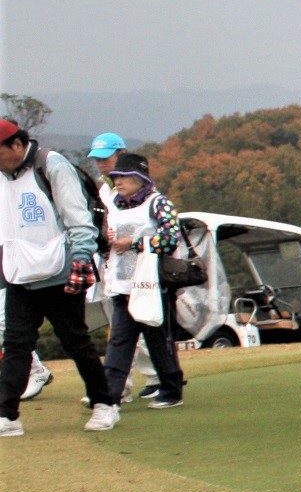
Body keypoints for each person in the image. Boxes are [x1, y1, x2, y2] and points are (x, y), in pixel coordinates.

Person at [0, 119, 118, 436]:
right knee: (16, 345)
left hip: (60, 269)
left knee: (75, 341)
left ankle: (104, 404)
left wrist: (81, 258)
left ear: (15, 145)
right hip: (20, 273)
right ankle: (7, 415)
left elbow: (77, 215)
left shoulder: (50, 165)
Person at [97, 153, 185, 409]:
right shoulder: (111, 204)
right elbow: (99, 232)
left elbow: (171, 238)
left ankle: (171, 390)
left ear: (139, 179)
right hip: (123, 285)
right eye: (115, 178)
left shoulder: (159, 203)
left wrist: (134, 242)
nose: (118, 182)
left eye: (123, 177)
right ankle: (108, 397)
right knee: (119, 342)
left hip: (154, 285)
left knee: (159, 340)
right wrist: (108, 237)